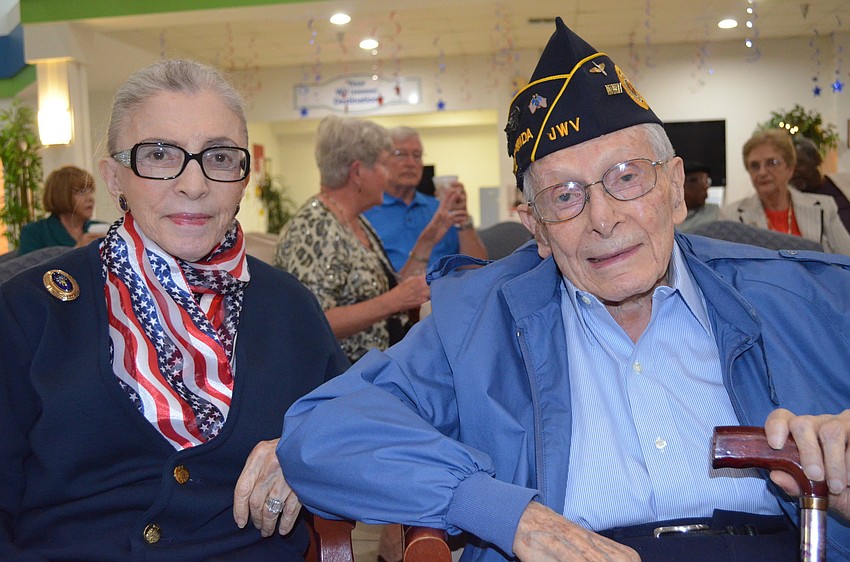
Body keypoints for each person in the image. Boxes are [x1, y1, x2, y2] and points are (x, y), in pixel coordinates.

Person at [279, 18, 850, 562]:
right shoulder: (478, 323)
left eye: (627, 177)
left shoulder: (807, 298)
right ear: (536, 228)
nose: (602, 218)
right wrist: (514, 518)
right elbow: (322, 430)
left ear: (675, 189)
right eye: (565, 196)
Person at [0, 59, 349, 560]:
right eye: (160, 155)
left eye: (220, 157)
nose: (193, 184)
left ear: (243, 179)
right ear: (114, 178)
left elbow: (359, 423)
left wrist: (307, 448)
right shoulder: (29, 312)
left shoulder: (289, 307)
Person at [274, 116, 430, 363]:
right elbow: (310, 322)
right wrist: (394, 301)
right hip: (341, 376)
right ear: (357, 172)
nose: (389, 176)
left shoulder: (353, 220)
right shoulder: (316, 227)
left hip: (373, 369)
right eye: (383, 165)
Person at [363, 126, 488, 271]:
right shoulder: (366, 213)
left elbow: (479, 270)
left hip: (449, 285)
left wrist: (463, 219)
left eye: (417, 155)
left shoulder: (440, 209)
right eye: (400, 154)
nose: (411, 163)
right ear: (380, 161)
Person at [719, 129, 850, 255]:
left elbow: (847, 257)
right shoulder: (730, 215)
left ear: (790, 168)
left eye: (772, 163)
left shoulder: (823, 207)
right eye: (754, 166)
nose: (762, 172)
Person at [18, 165, 106, 255]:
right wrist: (77, 250)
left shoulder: (101, 229)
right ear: (61, 196)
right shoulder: (35, 232)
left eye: (91, 191)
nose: (90, 198)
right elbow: (31, 264)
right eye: (80, 192)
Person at [791, 136, 850, 232]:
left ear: (817, 160)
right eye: (789, 165)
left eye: (799, 163)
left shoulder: (844, 181)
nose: (793, 171)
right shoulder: (792, 200)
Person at [676, 160, 718, 232]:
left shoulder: (716, 213)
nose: (705, 186)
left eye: (706, 181)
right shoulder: (667, 216)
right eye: (694, 181)